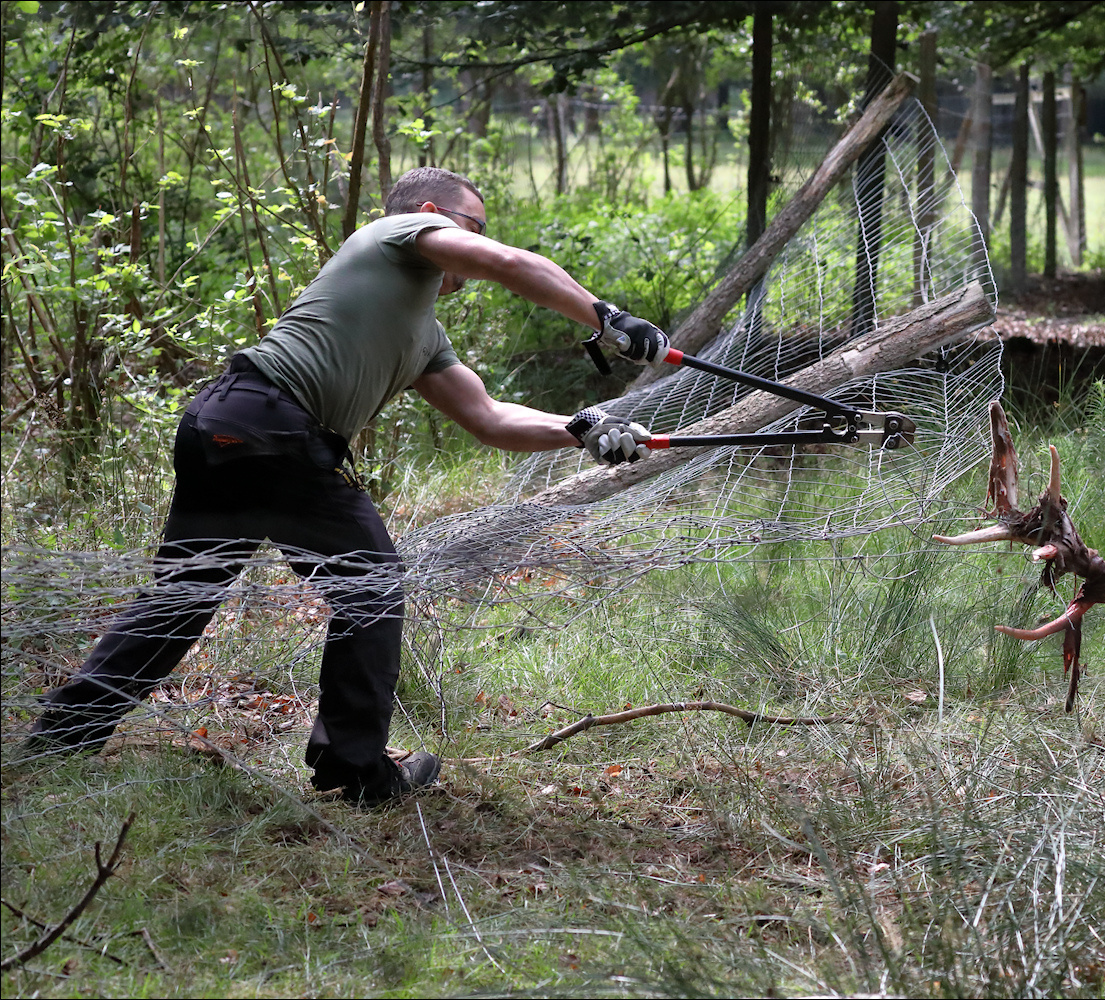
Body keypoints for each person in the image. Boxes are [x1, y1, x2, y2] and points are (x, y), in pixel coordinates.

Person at [25, 167, 662, 803]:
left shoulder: (423, 332)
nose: (479, 239)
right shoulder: (397, 233)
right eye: (475, 222)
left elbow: (488, 418)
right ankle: (356, 770)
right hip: (275, 431)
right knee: (374, 588)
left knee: (184, 596)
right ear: (437, 213)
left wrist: (579, 428)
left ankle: (62, 736)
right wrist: (605, 317)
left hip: (225, 424)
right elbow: (505, 261)